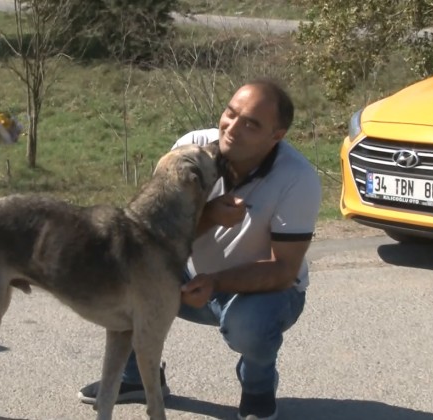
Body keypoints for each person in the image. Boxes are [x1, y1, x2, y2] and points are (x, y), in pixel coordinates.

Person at [77, 79, 322, 420]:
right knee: (128, 273)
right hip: (192, 278)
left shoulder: (298, 179)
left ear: (276, 136)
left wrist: (215, 283)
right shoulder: (190, 150)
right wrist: (208, 217)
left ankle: (257, 391)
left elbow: (282, 270)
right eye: (230, 113)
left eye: (251, 124)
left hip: (269, 292)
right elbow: (144, 236)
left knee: (250, 326)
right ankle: (134, 377)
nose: (232, 129)